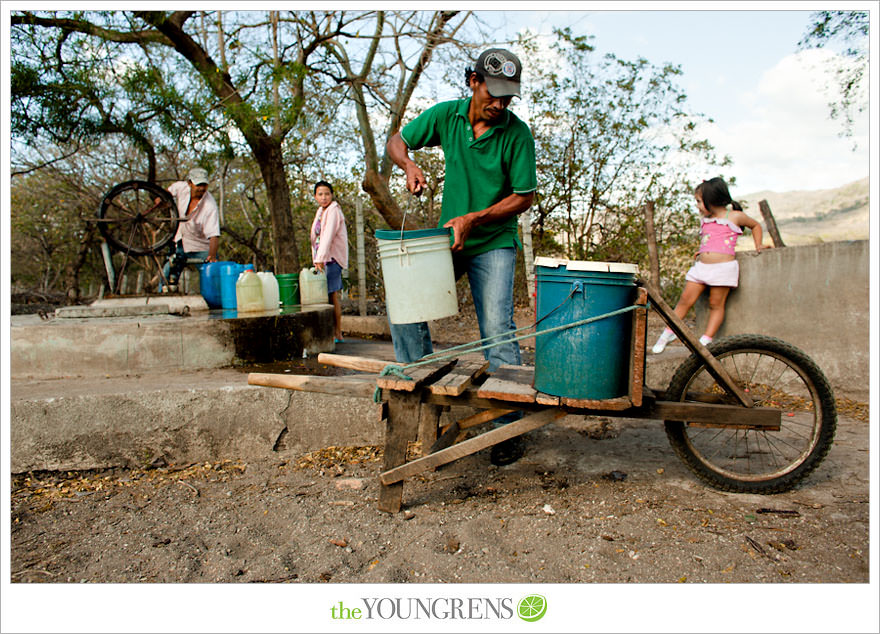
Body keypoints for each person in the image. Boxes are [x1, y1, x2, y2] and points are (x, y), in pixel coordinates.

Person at [386, 48, 536, 465]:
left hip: (494, 241)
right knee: (405, 304)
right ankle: (418, 385)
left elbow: (523, 196)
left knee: (498, 328)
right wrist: (409, 165)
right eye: (493, 93)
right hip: (449, 238)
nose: (500, 104)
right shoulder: (447, 115)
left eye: (508, 97)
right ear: (473, 82)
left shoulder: (516, 134)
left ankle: (507, 425)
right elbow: (396, 142)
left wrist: (475, 217)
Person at [651, 177, 771, 354]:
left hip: (723, 269)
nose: (697, 206)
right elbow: (712, 240)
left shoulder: (734, 216)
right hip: (702, 268)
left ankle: (706, 339)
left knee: (716, 304)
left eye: (699, 201)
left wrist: (758, 245)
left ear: (711, 199)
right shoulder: (705, 219)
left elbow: (755, 226)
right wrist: (704, 252)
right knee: (685, 300)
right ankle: (669, 332)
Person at [160, 167, 221, 291]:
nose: (201, 188)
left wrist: (212, 255)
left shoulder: (210, 206)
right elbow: (164, 194)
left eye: (204, 185)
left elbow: (214, 234)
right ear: (190, 183)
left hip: (201, 247)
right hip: (180, 241)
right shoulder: (180, 188)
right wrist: (159, 199)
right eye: (198, 185)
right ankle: (162, 295)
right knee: (167, 272)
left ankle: (215, 301)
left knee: (212, 277)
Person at [310, 180, 349, 343]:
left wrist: (320, 258)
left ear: (331, 195)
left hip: (331, 259)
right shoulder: (320, 211)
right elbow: (315, 237)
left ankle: (337, 333)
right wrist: (316, 258)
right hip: (322, 259)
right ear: (315, 196)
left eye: (327, 194)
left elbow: (327, 236)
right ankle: (329, 332)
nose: (324, 197)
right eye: (320, 194)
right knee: (325, 296)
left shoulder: (333, 210)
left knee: (332, 295)